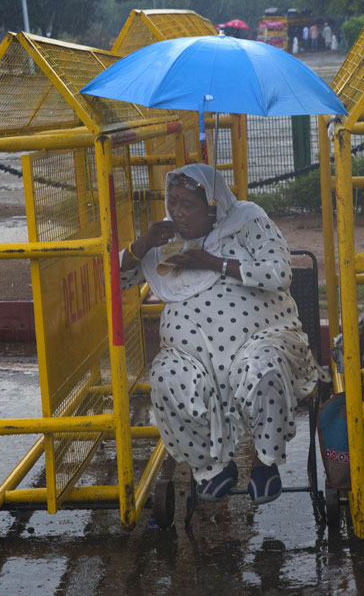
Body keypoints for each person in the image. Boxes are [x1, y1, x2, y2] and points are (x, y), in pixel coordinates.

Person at [120, 164, 327, 505]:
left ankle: (263, 461)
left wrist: (213, 262)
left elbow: (278, 274)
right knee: (166, 378)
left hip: (260, 340)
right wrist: (141, 245)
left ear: (213, 205)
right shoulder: (166, 237)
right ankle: (212, 467)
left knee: (265, 369)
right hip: (191, 355)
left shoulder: (247, 220)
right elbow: (114, 280)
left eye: (189, 204)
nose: (179, 211)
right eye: (173, 201)